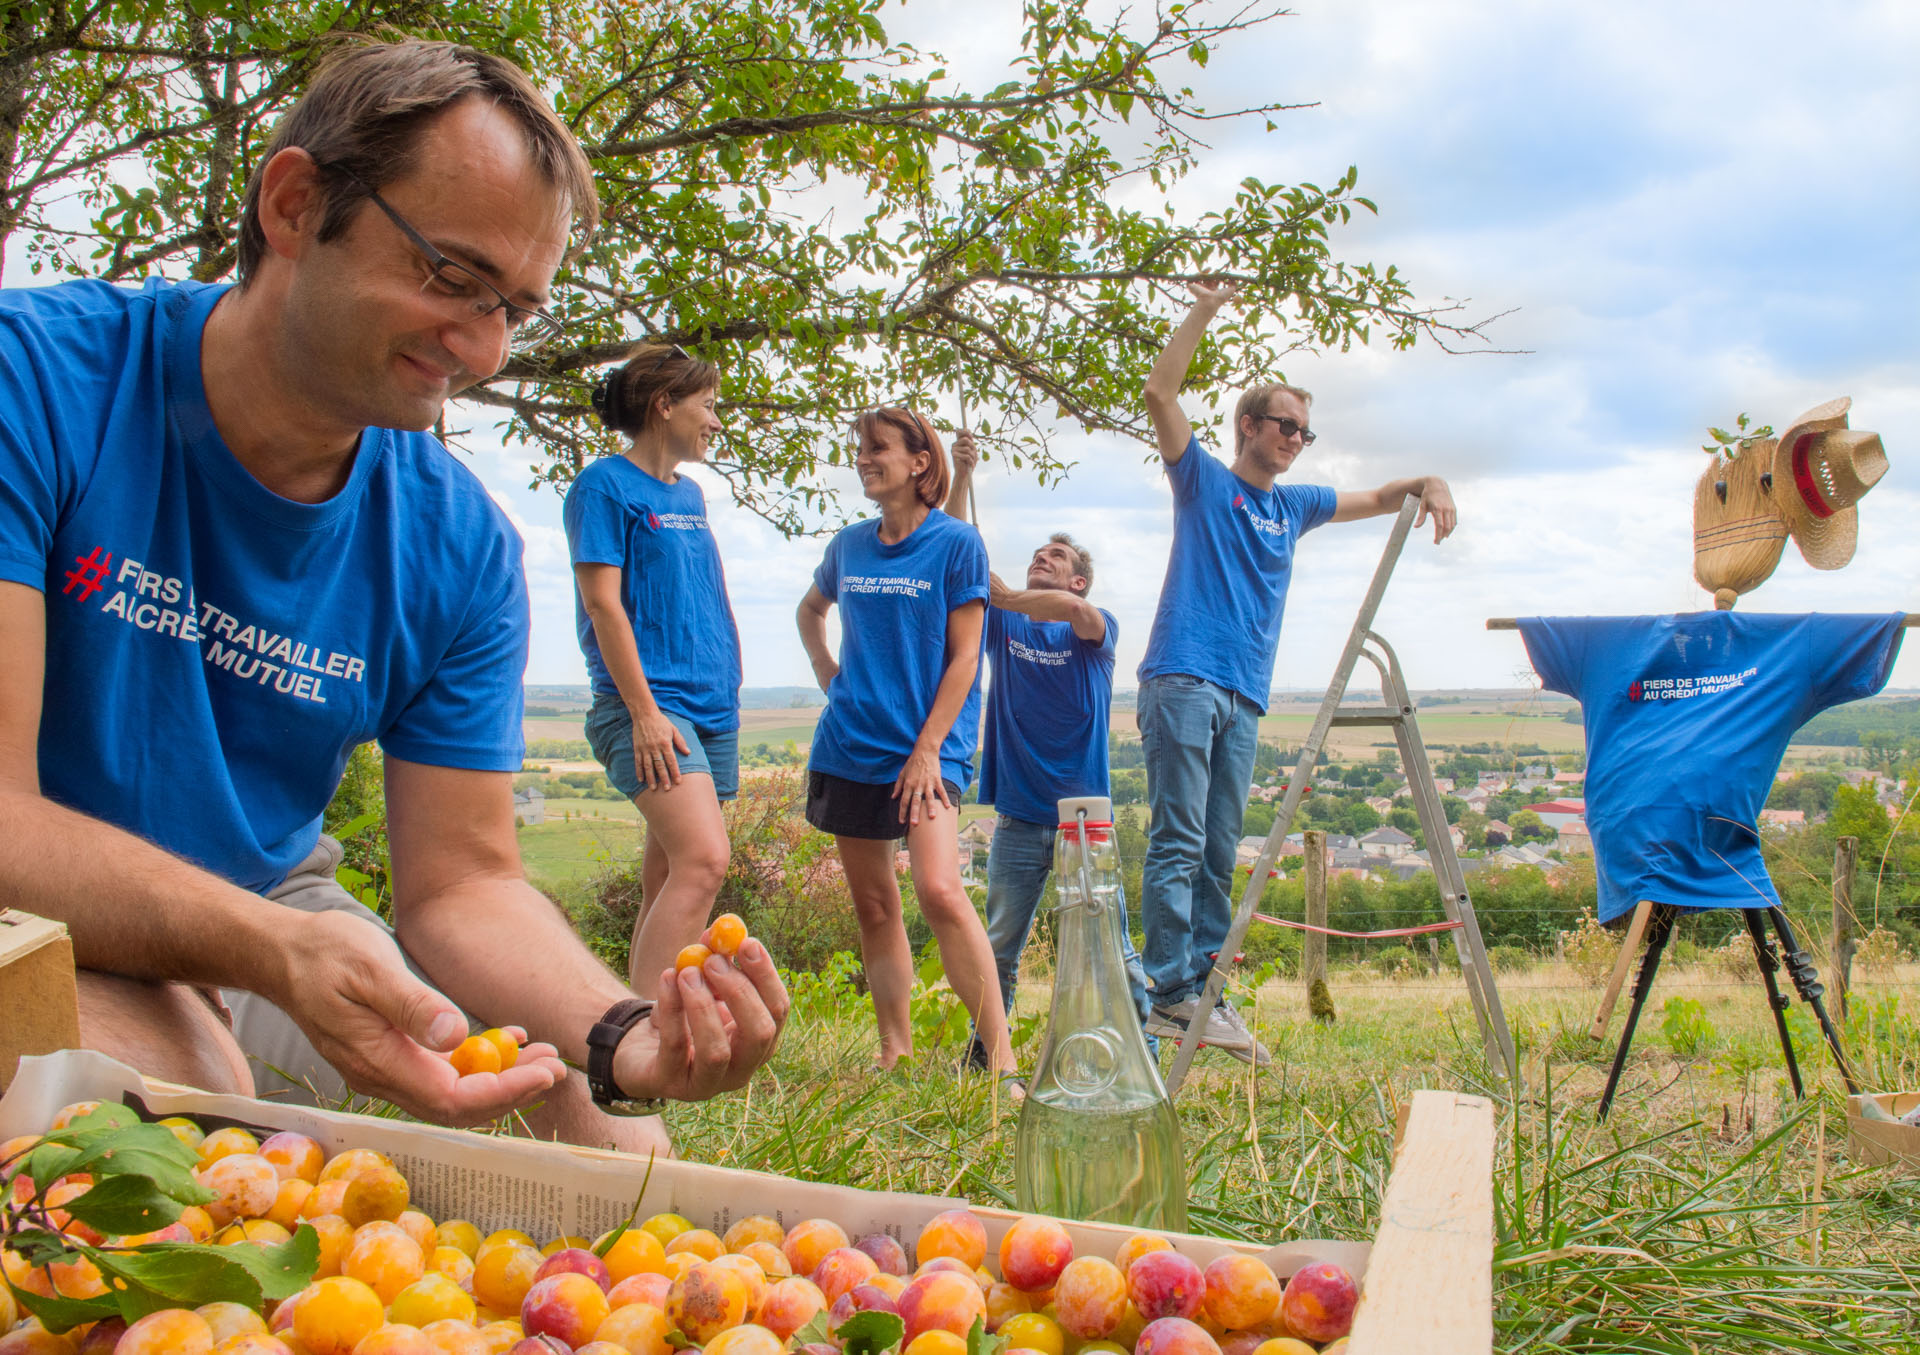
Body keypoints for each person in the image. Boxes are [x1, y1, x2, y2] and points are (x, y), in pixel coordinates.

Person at [0, 39, 786, 1155]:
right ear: (293, 203)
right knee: (182, 1103)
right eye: (451, 278)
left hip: (266, 903)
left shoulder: (456, 542)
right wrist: (264, 950)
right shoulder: (35, 384)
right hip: (31, 907)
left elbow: (462, 883)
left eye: (514, 307)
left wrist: (617, 1037)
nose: (479, 347)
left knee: (601, 1140)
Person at [1136, 280, 1457, 1064]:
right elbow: (1158, 391)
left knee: (1218, 848)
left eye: (1304, 433)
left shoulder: (1294, 506)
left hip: (1244, 695)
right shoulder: (1205, 481)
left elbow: (1380, 495)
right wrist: (1205, 311)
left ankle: (1205, 989)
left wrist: (1429, 482)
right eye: (1285, 425)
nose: (1295, 440)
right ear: (1248, 425)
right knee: (1178, 839)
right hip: (1184, 677)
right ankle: (1166, 991)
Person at [795, 407, 1018, 1084]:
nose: (864, 458)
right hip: (849, 746)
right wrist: (831, 678)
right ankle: (894, 1052)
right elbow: (810, 612)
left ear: (920, 461)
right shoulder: (850, 545)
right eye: (859, 448)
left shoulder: (956, 544)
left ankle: (1001, 1064)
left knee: (941, 889)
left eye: (877, 448)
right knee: (873, 905)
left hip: (930, 751)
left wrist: (926, 750)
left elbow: (964, 658)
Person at [944, 434, 1155, 1049]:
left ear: (1079, 580)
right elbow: (958, 547)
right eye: (1038, 551)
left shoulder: (1096, 629)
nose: (1042, 555)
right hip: (1016, 817)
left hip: (1080, 822)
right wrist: (961, 474)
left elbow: (1071, 612)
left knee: (1109, 945)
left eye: (1056, 554)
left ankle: (1145, 1049)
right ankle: (989, 1056)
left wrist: (1007, 593)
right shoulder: (1004, 621)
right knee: (999, 946)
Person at [568, 344, 740, 994]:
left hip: (711, 707)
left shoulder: (689, 492)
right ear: (665, 405)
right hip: (648, 705)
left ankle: (641, 1024)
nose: (715, 421)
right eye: (708, 405)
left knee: (668, 875)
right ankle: (639, 1042)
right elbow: (602, 603)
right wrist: (643, 712)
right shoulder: (603, 485)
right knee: (703, 859)